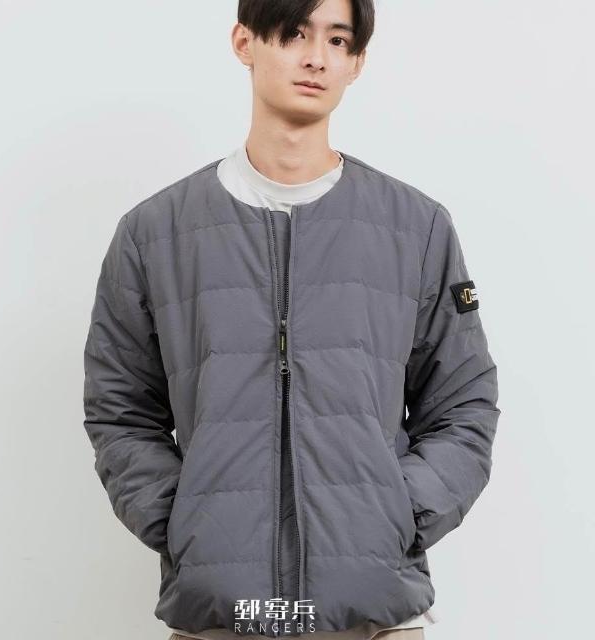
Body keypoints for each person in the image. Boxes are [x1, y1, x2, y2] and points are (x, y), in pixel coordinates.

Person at [82, 1, 500, 639]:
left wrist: (397, 515)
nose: (316, 58)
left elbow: (464, 402)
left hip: (378, 619)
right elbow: (121, 411)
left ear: (357, 62)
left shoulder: (416, 228)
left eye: (338, 41)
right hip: (220, 618)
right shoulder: (154, 233)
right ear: (244, 42)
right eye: (294, 33)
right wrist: (185, 523)